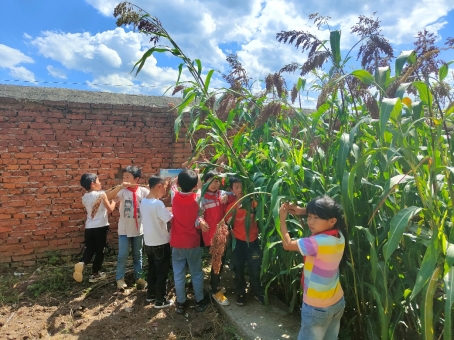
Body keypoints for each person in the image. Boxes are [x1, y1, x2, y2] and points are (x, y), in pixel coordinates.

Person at [279, 196, 346, 340]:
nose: (310, 221)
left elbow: (287, 244)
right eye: (309, 216)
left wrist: (282, 219)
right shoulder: (339, 234)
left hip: (317, 307)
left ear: (332, 221)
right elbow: (329, 209)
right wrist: (301, 211)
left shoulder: (317, 243)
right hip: (337, 302)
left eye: (316, 217)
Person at [170, 169, 209, 314]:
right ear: (193, 186)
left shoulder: (174, 195)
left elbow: (173, 185)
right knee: (196, 273)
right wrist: (197, 173)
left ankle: (181, 303)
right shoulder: (197, 197)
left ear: (179, 183)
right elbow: (200, 187)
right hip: (192, 242)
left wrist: (176, 180)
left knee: (178, 274)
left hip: (177, 242)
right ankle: (199, 300)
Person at [224, 177, 264, 306]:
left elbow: (261, 220)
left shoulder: (254, 203)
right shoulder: (230, 207)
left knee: (255, 268)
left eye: (242, 187)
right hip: (238, 243)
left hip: (253, 242)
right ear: (231, 190)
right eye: (236, 187)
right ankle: (240, 293)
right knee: (237, 268)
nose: (240, 190)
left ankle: (257, 291)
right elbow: (228, 224)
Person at [107, 165, 149, 290]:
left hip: (138, 229)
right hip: (124, 229)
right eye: (124, 176)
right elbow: (108, 197)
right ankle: (120, 279)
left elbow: (155, 199)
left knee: (138, 254)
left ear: (136, 179)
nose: (124, 179)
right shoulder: (122, 191)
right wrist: (120, 186)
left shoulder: (144, 191)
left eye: (128, 177)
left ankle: (139, 277)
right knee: (123, 255)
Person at [200, 170, 235, 306]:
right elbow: (198, 214)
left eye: (216, 181)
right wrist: (201, 222)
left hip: (223, 235)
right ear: (204, 182)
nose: (214, 184)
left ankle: (215, 284)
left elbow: (238, 195)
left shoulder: (223, 195)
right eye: (210, 181)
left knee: (220, 261)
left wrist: (228, 196)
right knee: (217, 262)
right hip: (211, 237)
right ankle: (215, 290)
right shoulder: (202, 198)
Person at [74, 173, 116, 283]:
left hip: (89, 227)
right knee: (100, 251)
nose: (100, 183)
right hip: (100, 227)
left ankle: (82, 263)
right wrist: (115, 202)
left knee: (90, 248)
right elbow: (110, 209)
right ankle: (95, 274)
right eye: (98, 181)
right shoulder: (101, 194)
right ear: (92, 184)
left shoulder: (84, 198)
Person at [140, 176, 174, 309]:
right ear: (159, 186)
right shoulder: (157, 204)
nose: (165, 191)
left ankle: (151, 294)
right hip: (161, 242)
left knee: (152, 270)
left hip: (148, 242)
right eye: (165, 187)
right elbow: (169, 218)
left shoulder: (144, 202)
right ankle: (160, 300)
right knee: (162, 272)